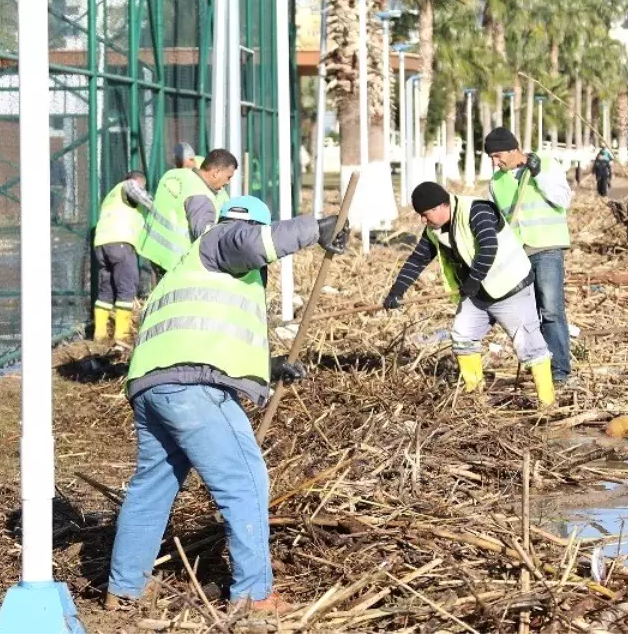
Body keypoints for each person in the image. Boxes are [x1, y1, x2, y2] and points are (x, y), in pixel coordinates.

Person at [107, 196, 349, 613]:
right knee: (245, 481)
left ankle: (125, 588)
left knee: (152, 488)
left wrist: (267, 367)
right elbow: (250, 242)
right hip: (192, 387)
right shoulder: (223, 239)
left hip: (153, 385)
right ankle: (254, 595)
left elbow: (206, 333)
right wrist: (317, 228)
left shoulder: (193, 266)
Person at [382, 181, 555, 404]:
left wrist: (473, 280)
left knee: (529, 345)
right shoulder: (434, 230)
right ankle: (475, 395)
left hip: (511, 289)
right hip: (477, 294)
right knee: (462, 336)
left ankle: (547, 403)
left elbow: (488, 246)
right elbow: (417, 260)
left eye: (425, 214)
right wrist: (397, 291)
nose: (423, 220)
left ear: (440, 207)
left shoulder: (477, 211)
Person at [484, 127, 575, 386]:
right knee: (530, 315)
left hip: (546, 248)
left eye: (498, 155)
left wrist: (537, 174)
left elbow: (562, 199)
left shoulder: (545, 164)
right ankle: (541, 368)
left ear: (514, 149)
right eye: (491, 157)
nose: (495, 161)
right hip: (518, 255)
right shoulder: (496, 183)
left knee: (551, 310)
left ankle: (559, 372)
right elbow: (496, 222)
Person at [139, 148, 237, 276]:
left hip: (154, 249)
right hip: (176, 262)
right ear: (216, 172)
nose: (228, 182)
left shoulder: (173, 175)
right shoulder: (200, 196)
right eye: (228, 177)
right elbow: (206, 236)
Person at [92, 171, 153, 342]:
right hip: (121, 243)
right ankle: (121, 335)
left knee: (106, 290)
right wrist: (155, 206)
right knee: (126, 288)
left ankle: (100, 334)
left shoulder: (111, 196)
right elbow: (134, 188)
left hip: (102, 245)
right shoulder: (128, 186)